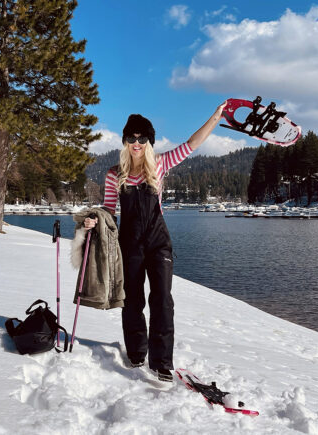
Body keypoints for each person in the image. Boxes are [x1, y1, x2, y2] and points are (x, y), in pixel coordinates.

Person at [84, 102, 227, 381]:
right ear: (125, 141)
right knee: (133, 300)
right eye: (131, 138)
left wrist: (216, 117)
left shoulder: (159, 165)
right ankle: (136, 353)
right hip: (130, 243)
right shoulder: (114, 174)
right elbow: (108, 210)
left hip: (158, 240)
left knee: (162, 299)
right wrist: (93, 220)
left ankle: (161, 362)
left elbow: (192, 143)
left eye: (142, 138)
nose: (136, 143)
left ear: (149, 141)